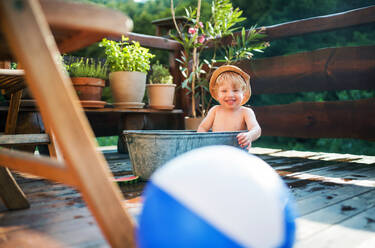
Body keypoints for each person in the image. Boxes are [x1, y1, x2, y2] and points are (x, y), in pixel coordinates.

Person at [197, 65, 261, 150]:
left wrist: (249, 136)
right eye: (224, 91)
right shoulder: (215, 111)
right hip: (216, 151)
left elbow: (256, 129)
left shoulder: (246, 112)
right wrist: (202, 142)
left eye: (235, 90)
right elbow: (203, 128)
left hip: (238, 152)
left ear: (243, 93)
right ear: (217, 94)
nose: (230, 95)